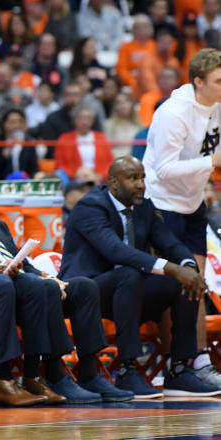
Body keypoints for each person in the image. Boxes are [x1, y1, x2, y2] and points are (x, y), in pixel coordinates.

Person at [0, 164, 130, 404]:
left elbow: (24, 261)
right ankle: (46, 374)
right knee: (36, 286)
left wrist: (48, 276)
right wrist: (30, 277)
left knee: (82, 287)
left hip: (19, 286)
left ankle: (89, 373)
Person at [60, 156, 221, 397]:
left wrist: (188, 267)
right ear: (113, 182)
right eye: (133, 178)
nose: (141, 185)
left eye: (143, 178)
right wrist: (172, 268)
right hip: (86, 290)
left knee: (182, 281)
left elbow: (169, 243)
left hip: (128, 290)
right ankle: (127, 370)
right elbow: (116, 251)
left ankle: (179, 370)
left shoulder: (143, 207)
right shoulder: (90, 207)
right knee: (132, 273)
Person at [143, 48, 221, 387]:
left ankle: (200, 360)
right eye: (219, 81)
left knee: (197, 282)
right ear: (199, 82)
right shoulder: (173, 112)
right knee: (173, 284)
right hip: (161, 203)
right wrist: (213, 163)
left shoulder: (217, 106)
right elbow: (164, 168)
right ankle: (177, 366)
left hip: (192, 203)